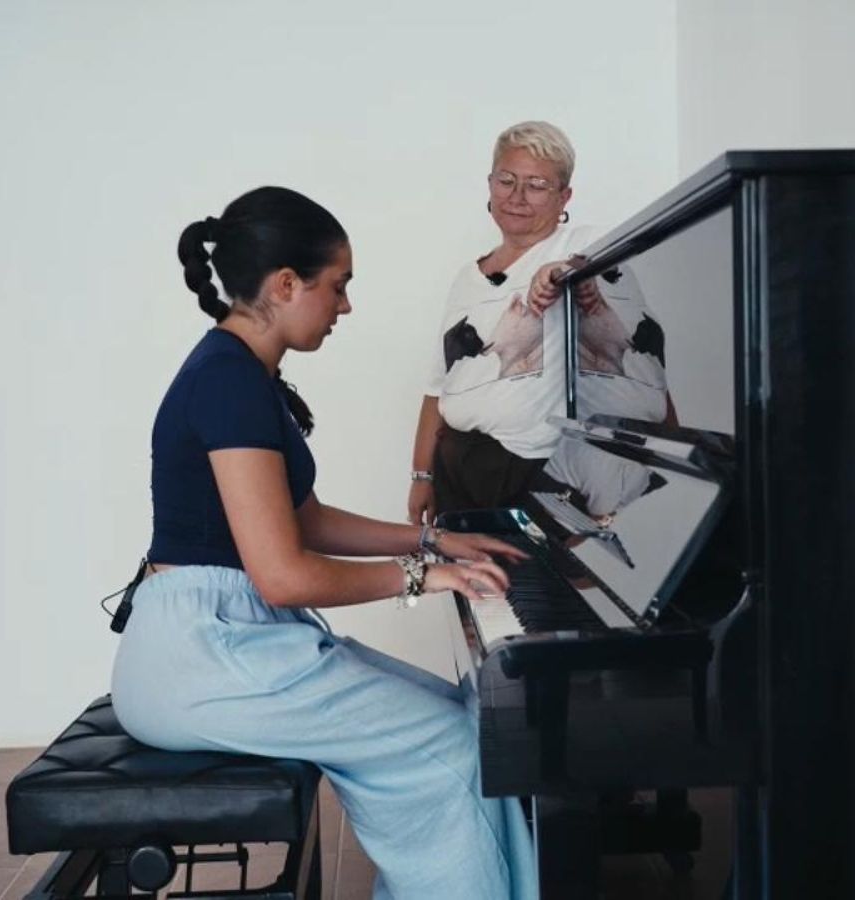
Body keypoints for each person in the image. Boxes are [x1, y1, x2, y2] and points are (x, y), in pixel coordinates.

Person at [109, 186, 538, 900]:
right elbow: (283, 574)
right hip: (202, 657)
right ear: (285, 285)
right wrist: (421, 577)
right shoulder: (229, 382)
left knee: (460, 718)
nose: (345, 307)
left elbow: (303, 523)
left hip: (225, 639)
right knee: (450, 747)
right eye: (337, 286)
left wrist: (433, 541)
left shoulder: (242, 374)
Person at [407, 120, 674, 526]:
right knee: (478, 586)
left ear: (564, 196)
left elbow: (588, 267)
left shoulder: (584, 245)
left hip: (549, 470)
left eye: (535, 185)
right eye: (506, 180)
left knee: (566, 585)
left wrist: (558, 273)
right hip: (463, 473)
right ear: (490, 183)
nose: (516, 197)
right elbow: (438, 388)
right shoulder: (467, 278)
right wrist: (421, 476)